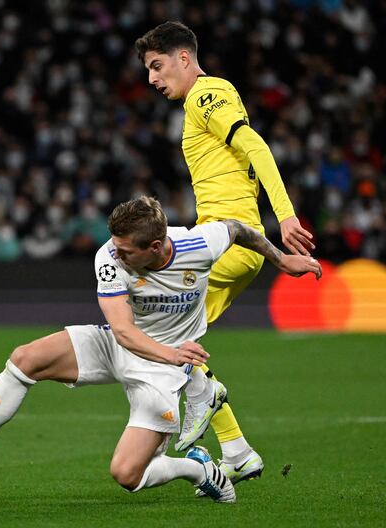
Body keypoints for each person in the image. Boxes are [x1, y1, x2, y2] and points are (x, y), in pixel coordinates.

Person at [0, 196, 320, 501]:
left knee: (127, 475)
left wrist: (281, 258)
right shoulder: (109, 258)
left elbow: (238, 229)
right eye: (114, 246)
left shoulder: (198, 245)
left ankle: (199, 471)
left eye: (126, 250)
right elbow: (122, 330)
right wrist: (175, 355)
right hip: (121, 344)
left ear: (155, 246)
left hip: (161, 371)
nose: (115, 254)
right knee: (24, 358)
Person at [135, 21, 317, 482]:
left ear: (183, 58)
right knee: (168, 342)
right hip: (237, 246)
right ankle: (237, 453)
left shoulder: (205, 94)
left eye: (157, 66)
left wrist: (287, 216)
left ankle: (191, 412)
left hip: (224, 242)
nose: (153, 79)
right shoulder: (211, 96)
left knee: (144, 334)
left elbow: (253, 143)